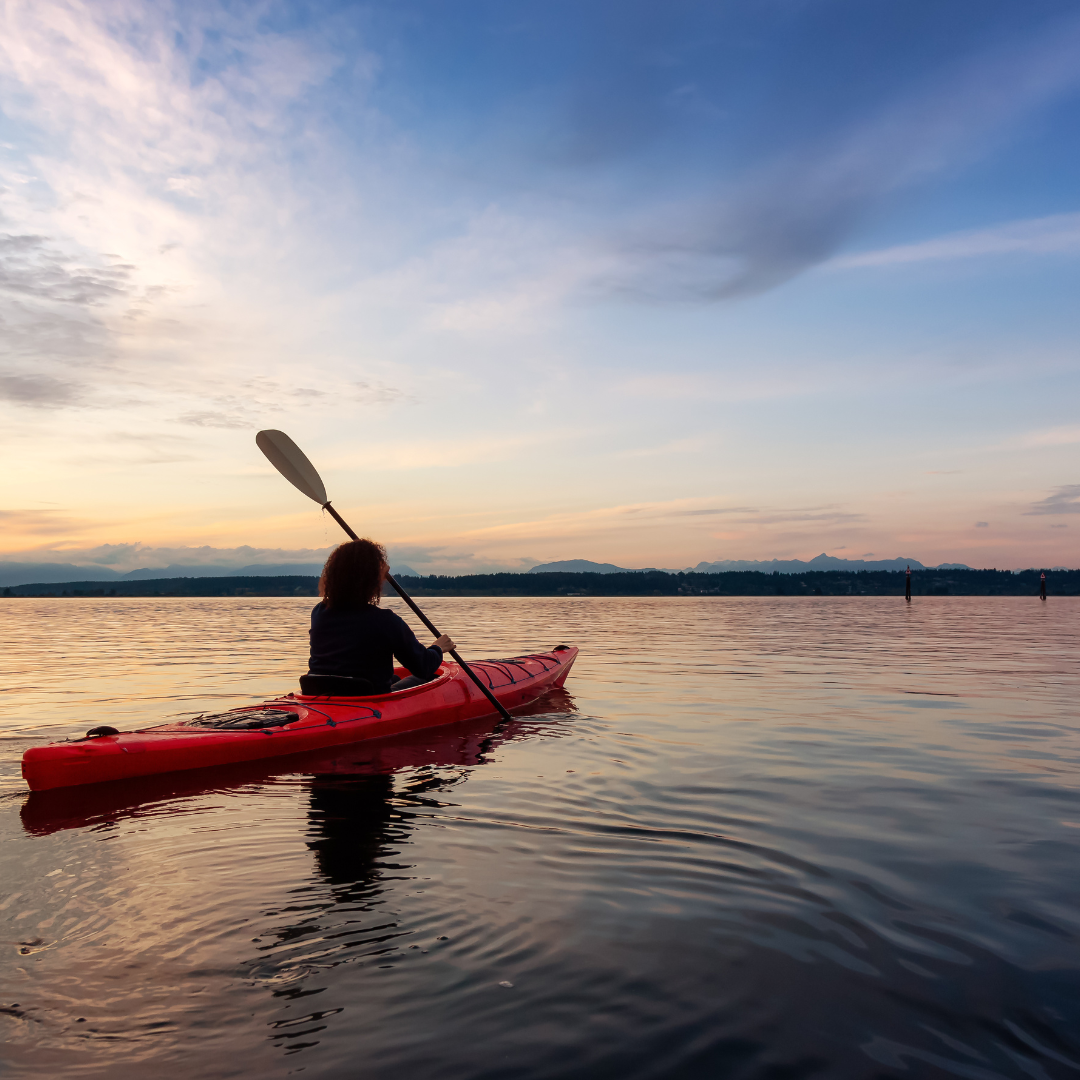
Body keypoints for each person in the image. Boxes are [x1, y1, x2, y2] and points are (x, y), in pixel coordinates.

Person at [307, 539, 454, 693]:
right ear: (370, 580)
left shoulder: (319, 612)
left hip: (319, 693)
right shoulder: (385, 621)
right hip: (366, 698)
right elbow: (423, 666)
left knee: (395, 679)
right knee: (428, 677)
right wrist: (437, 648)